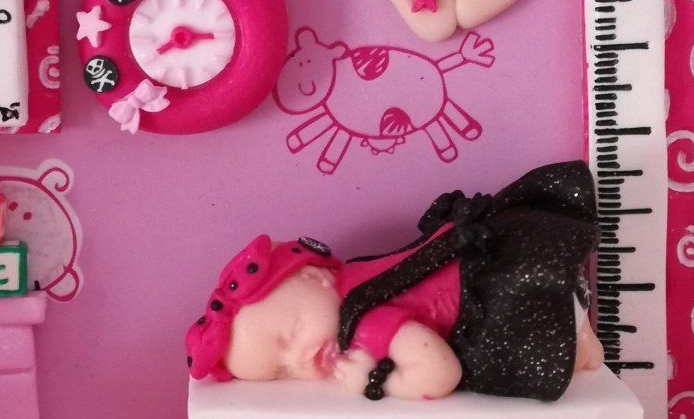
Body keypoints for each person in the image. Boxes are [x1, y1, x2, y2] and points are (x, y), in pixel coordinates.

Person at [185, 161, 605, 402]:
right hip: (512, 255)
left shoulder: (363, 322)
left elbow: (439, 373)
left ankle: (578, 334)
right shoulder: (355, 274)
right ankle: (582, 338)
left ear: (314, 276)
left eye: (290, 334)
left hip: (509, 285)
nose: (300, 358)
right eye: (282, 371)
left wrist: (377, 381)